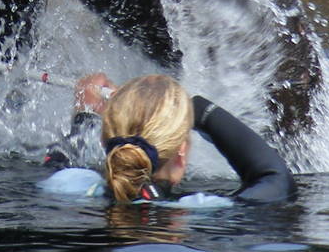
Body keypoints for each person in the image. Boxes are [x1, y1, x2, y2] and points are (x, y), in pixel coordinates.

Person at [47, 73, 294, 204]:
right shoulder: (202, 210)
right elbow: (277, 179)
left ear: (104, 143)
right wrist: (198, 109)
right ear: (182, 151)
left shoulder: (67, 185)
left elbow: (59, 157)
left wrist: (86, 114)